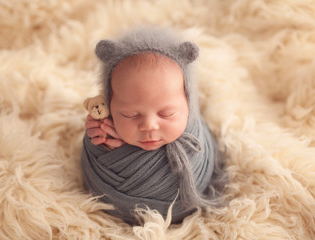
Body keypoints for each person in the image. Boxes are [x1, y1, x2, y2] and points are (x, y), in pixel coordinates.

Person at [81, 27, 227, 225]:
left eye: (166, 114)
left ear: (189, 105)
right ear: (109, 105)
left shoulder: (196, 141)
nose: (149, 126)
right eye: (130, 114)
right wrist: (105, 143)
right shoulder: (105, 126)